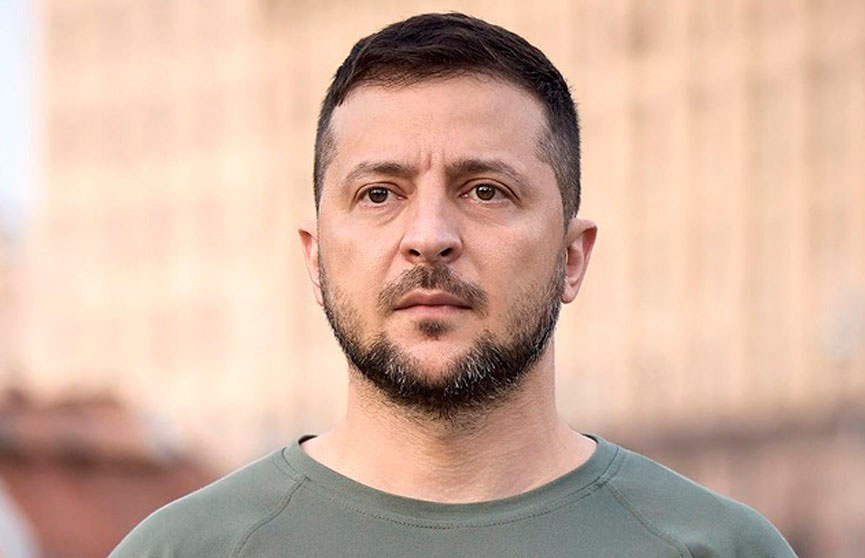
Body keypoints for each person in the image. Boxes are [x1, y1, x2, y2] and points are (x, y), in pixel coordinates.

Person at [111, 12, 797, 558]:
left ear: (571, 257)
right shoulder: (184, 550)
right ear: (315, 261)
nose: (430, 236)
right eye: (379, 194)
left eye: (486, 191)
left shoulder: (718, 548)